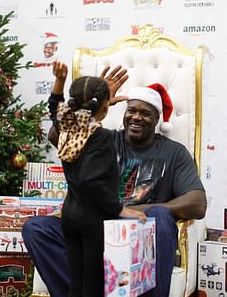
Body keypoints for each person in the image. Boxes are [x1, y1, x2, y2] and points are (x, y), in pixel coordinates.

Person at [23, 62, 207, 297]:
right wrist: (93, 101)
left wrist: (135, 210)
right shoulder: (103, 139)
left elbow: (197, 203)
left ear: (157, 119)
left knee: (161, 217)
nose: (136, 117)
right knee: (36, 228)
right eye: (132, 110)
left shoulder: (174, 152)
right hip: (96, 228)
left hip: (137, 233)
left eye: (145, 113)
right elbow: (57, 135)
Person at [47, 61, 147, 296]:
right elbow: (89, 180)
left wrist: (60, 81)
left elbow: (54, 107)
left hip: (70, 216)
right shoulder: (101, 138)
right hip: (93, 222)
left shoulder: (66, 126)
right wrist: (120, 209)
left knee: (76, 284)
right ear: (105, 107)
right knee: (92, 287)